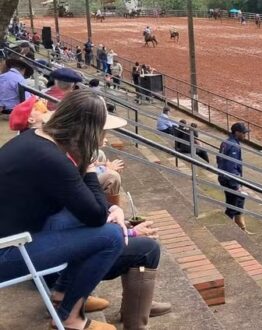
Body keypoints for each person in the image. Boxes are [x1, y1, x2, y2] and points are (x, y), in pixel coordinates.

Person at [0, 89, 166, 330]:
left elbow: (81, 202)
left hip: (17, 236)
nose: (104, 135)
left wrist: (113, 210)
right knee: (111, 237)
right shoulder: (51, 158)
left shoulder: (35, 141)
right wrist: (89, 167)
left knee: (96, 224)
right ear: (88, 131)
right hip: (7, 252)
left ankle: (61, 297)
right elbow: (95, 215)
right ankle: (70, 318)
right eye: (101, 130)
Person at [217, 122, 252, 234]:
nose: (245, 135)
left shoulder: (226, 142)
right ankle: (228, 230)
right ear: (237, 132)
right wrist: (236, 185)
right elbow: (230, 166)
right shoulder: (234, 146)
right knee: (232, 205)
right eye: (243, 133)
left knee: (239, 199)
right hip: (229, 179)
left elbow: (219, 158)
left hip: (224, 176)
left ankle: (241, 226)